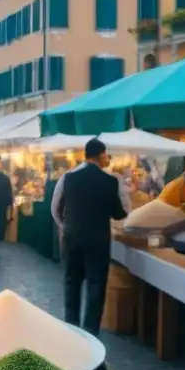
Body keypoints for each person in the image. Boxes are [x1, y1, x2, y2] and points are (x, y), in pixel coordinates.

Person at [51, 139, 126, 336]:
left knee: (71, 282)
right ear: (101, 155)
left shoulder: (68, 178)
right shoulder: (110, 181)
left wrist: (64, 227)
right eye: (106, 155)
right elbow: (119, 213)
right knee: (96, 284)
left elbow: (55, 207)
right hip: (97, 240)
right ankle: (91, 332)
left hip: (72, 237)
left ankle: (72, 327)